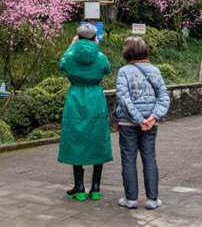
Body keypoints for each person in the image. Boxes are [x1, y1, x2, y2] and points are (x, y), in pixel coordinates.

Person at [57, 23, 113, 201]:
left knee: (76, 138)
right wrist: (96, 48)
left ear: (78, 37)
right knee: (98, 137)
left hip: (76, 97)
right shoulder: (101, 56)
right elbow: (108, 70)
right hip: (95, 97)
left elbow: (62, 64)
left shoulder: (72, 55)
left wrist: (72, 45)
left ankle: (79, 187)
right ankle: (96, 187)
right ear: (95, 38)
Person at [114, 36, 170, 211]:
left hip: (128, 124)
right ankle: (152, 199)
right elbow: (163, 97)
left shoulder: (124, 71)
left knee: (128, 159)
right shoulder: (155, 70)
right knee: (150, 158)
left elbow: (123, 98)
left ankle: (131, 199)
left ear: (127, 52)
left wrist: (139, 119)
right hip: (150, 124)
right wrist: (152, 117)